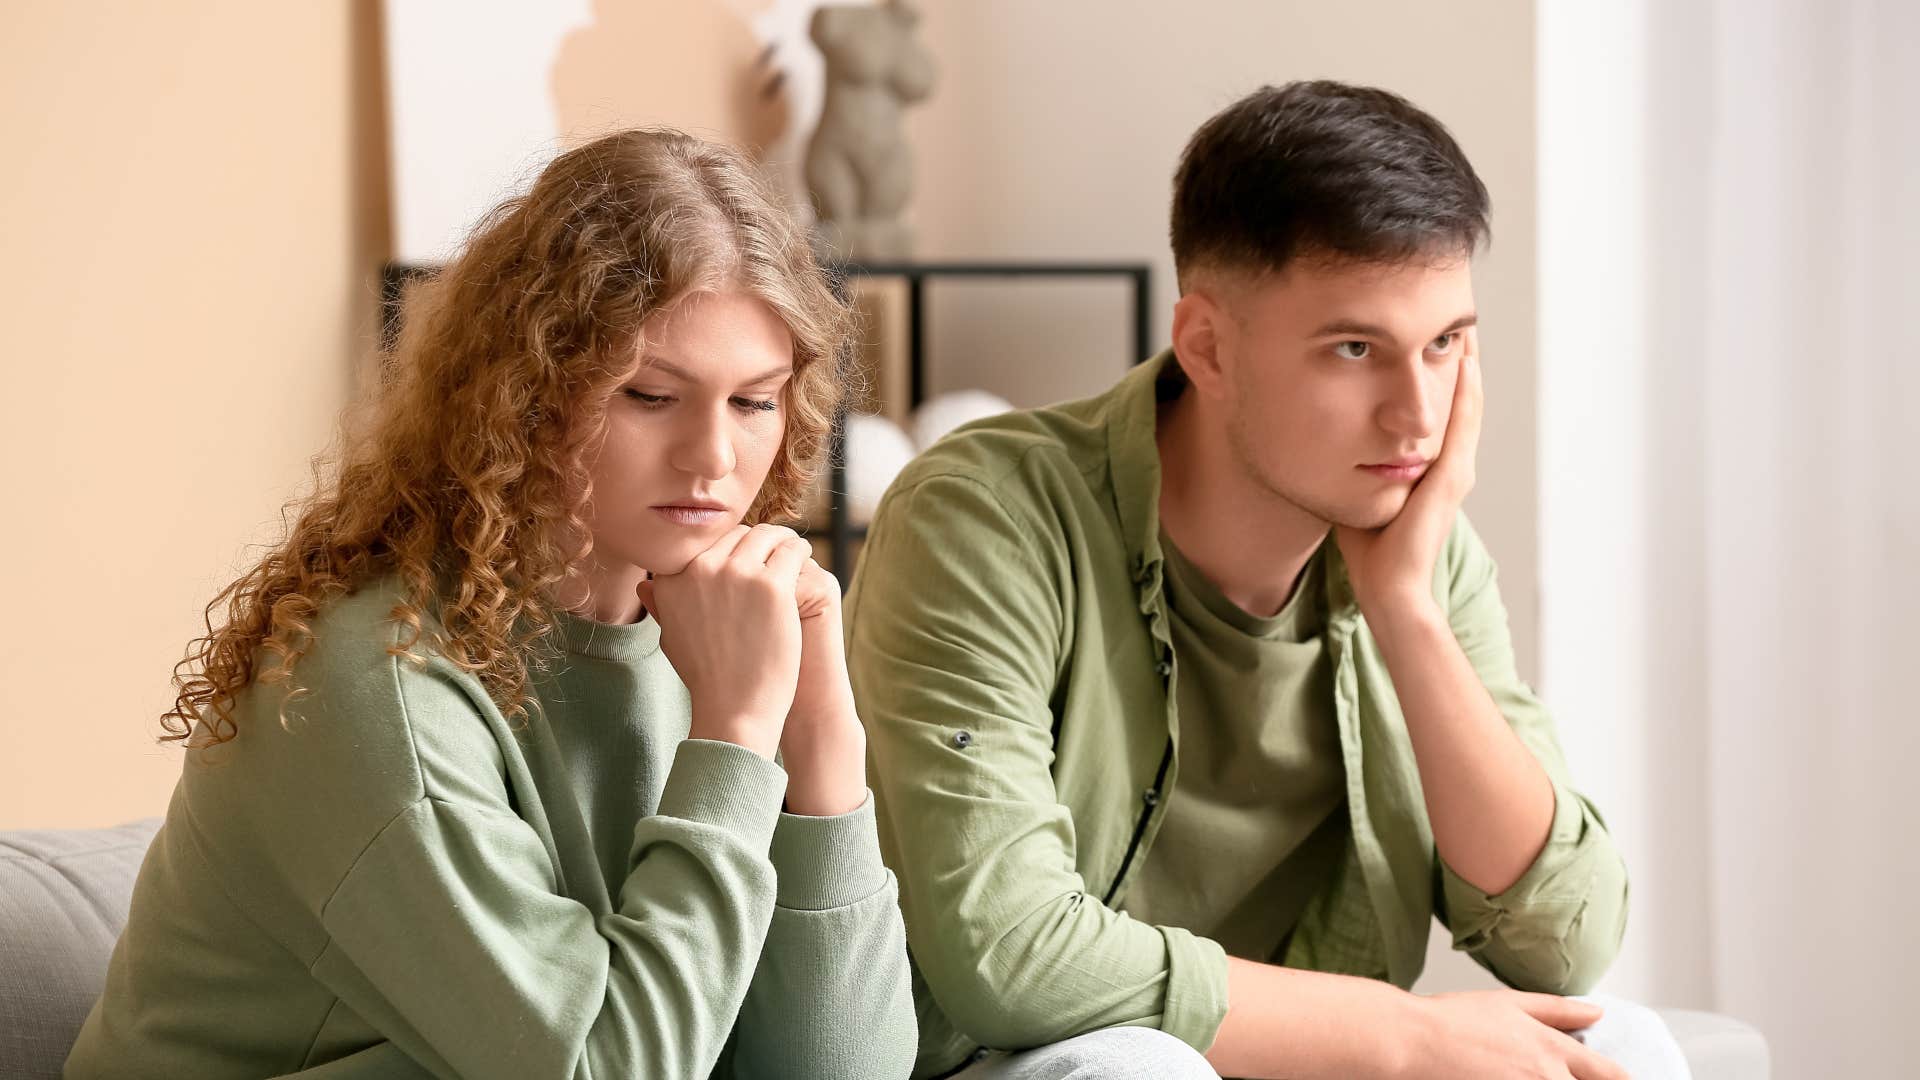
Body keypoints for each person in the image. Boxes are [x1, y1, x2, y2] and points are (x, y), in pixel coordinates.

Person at [845, 82, 1687, 1080]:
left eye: (1446, 343)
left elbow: (1561, 940)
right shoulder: (984, 519)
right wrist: (1407, 1033)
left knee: (1625, 1041)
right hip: (1029, 1061)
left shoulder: (1417, 540)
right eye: (1355, 349)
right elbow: (1008, 954)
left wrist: (1407, 611)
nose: (1418, 416)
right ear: (1207, 345)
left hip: (1311, 1060)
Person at [66, 128, 917, 1080]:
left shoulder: (714, 635)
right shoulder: (378, 687)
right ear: (529, 393)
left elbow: (842, 1068)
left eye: (755, 403)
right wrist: (732, 738)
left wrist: (820, 740)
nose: (714, 460)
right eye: (648, 395)